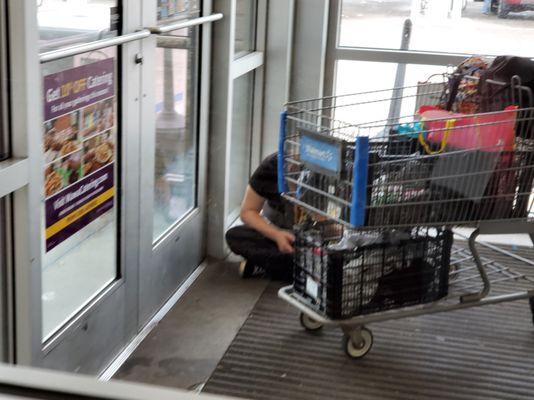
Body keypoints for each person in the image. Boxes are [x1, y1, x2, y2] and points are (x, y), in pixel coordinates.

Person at [225, 153, 295, 282]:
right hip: (278, 232)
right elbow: (247, 212)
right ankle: (299, 271)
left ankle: (283, 269)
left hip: (310, 238)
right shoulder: (272, 165)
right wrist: (277, 234)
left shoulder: (330, 172)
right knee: (235, 236)